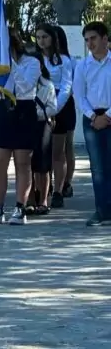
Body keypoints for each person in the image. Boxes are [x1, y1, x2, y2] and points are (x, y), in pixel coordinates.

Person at [0, 28, 41, 226]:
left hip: (24, 110)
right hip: (3, 109)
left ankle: (20, 207)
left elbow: (26, 86)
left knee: (22, 162)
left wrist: (10, 65)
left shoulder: (32, 62)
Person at [72, 21, 111, 227]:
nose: (90, 43)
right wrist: (94, 117)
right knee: (98, 168)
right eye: (87, 40)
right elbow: (79, 95)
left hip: (110, 115)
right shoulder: (82, 66)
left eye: (93, 38)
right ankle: (102, 210)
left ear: (105, 38)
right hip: (92, 120)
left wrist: (108, 116)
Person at [34, 22, 74, 210]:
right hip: (39, 107)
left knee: (58, 152)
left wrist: (54, 109)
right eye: (38, 37)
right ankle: (42, 190)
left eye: (45, 37)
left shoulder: (63, 60)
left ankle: (58, 191)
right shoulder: (34, 59)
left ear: (52, 38)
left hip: (60, 106)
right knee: (42, 152)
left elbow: (66, 86)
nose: (41, 41)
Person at [30, 49, 57, 216]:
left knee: (43, 165)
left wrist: (37, 114)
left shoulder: (48, 85)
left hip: (42, 125)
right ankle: (30, 199)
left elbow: (52, 108)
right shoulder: (20, 83)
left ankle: (44, 200)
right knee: (27, 164)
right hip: (26, 126)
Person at [54, 24, 76, 198]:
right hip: (46, 100)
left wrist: (57, 105)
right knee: (52, 147)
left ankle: (67, 182)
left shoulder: (69, 60)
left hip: (65, 104)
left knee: (67, 145)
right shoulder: (43, 59)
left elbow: (70, 86)